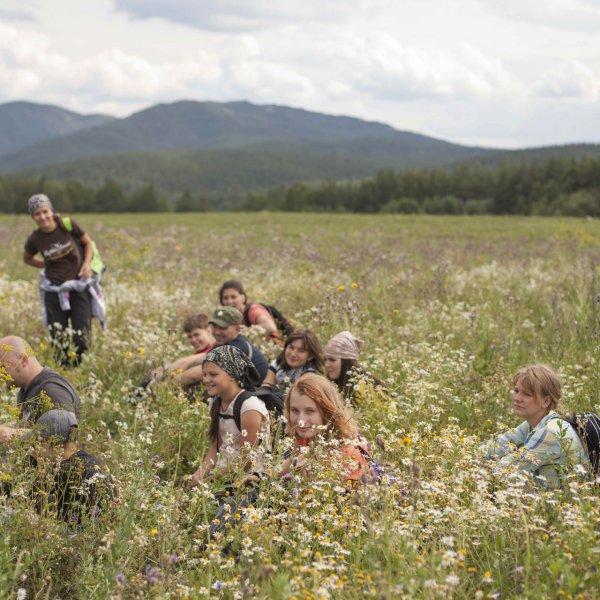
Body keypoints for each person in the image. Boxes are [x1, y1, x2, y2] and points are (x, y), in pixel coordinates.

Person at [22, 193, 105, 367]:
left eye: (45, 211)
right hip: (54, 290)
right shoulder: (35, 239)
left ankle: (75, 367)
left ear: (51, 211)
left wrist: (87, 264)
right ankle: (62, 371)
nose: (42, 217)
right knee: (57, 338)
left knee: (82, 336)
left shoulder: (67, 224)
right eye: (37, 214)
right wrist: (44, 264)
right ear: (32, 217)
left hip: (79, 286)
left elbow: (88, 243)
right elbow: (27, 258)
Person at [482, 364, 589, 487]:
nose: (517, 398)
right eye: (516, 391)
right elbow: (496, 446)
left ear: (546, 401)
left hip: (564, 503)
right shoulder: (533, 423)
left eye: (527, 394)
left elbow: (506, 471)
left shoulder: (551, 432)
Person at [278, 373, 368, 482]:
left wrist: (304, 477)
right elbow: (289, 463)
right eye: (295, 410)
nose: (301, 421)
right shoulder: (306, 435)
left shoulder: (347, 452)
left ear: (327, 411)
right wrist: (263, 477)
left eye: (310, 411)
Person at [31, 409, 115, 524]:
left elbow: (21, 504)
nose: (35, 449)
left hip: (75, 538)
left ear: (48, 443)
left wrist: (33, 461)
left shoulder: (60, 473)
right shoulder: (97, 463)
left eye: (37, 443)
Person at [0, 335, 81, 444]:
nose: (1, 374)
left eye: (3, 367)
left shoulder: (52, 388)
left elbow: (67, 430)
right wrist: (7, 428)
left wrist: (12, 434)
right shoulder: (27, 387)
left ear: (23, 360)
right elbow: (32, 424)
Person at [143, 314, 217, 393]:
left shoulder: (214, 348)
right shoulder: (199, 352)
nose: (193, 340)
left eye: (196, 335)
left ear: (208, 331)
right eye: (189, 337)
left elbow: (184, 364)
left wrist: (161, 381)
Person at [323, 331, 385, 407]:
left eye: (332, 360)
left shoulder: (364, 388)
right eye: (325, 359)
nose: (326, 365)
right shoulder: (332, 386)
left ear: (346, 361)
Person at [208, 307, 269, 381]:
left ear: (238, 329)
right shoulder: (225, 341)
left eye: (222, 328)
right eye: (214, 326)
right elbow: (204, 359)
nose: (217, 332)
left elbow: (199, 373)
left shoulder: (236, 348)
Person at [263, 329, 324, 394]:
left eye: (301, 351)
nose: (293, 354)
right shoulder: (279, 362)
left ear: (310, 356)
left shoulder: (310, 375)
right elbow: (267, 385)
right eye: (291, 348)